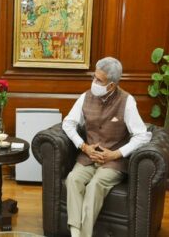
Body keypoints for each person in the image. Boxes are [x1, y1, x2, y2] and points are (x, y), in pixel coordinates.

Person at [62, 57, 152, 237]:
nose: (94, 82)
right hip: (88, 157)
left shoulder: (127, 101)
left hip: (113, 162)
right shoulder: (85, 97)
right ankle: (75, 233)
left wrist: (116, 154)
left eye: (99, 80)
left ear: (111, 85)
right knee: (73, 179)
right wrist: (84, 146)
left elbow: (143, 135)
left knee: (95, 185)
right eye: (94, 77)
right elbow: (68, 124)